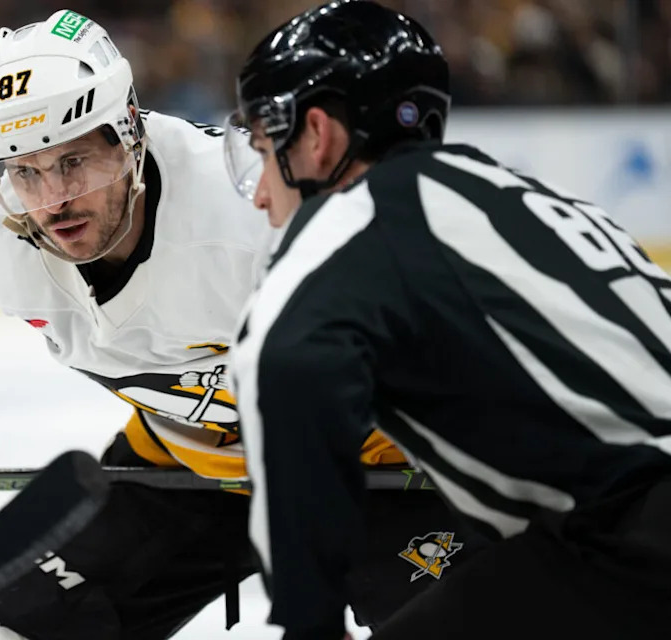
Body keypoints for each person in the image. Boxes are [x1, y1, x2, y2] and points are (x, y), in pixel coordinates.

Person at [0, 8, 478, 640]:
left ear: (129, 131)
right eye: (26, 172)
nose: (54, 202)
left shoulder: (252, 215)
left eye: (74, 162)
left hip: (376, 467)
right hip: (185, 464)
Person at [225, 1, 671, 639]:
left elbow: (286, 368)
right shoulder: (531, 198)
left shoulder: (346, 226)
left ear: (317, 136)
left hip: (632, 545)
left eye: (266, 151)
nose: (263, 192)